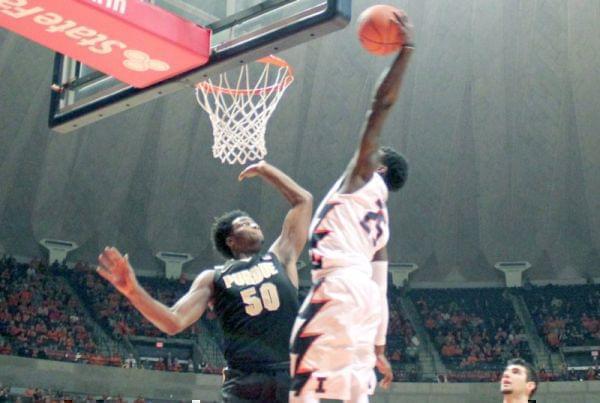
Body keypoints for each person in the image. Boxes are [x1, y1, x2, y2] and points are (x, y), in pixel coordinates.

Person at [97, 161, 312, 402]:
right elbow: (174, 321)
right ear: (230, 240)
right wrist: (133, 291)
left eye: (253, 222)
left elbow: (303, 200)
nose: (253, 224)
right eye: (243, 223)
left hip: (290, 375)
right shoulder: (213, 278)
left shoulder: (281, 257)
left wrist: (264, 169)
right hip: (244, 381)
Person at [289, 11, 414, 403]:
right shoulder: (382, 226)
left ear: (378, 165)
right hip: (364, 306)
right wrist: (377, 348)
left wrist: (404, 53)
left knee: (301, 388)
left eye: (371, 152)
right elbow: (381, 289)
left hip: (338, 288)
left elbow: (379, 107)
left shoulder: (362, 178)